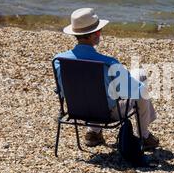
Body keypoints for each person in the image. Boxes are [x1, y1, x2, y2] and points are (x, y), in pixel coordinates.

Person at [54, 8, 159, 149]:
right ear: (95, 34)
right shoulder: (107, 63)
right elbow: (135, 91)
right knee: (140, 84)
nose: (100, 34)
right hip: (107, 114)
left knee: (93, 91)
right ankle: (144, 136)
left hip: (76, 111)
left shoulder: (59, 61)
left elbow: (61, 90)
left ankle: (93, 133)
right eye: (99, 31)